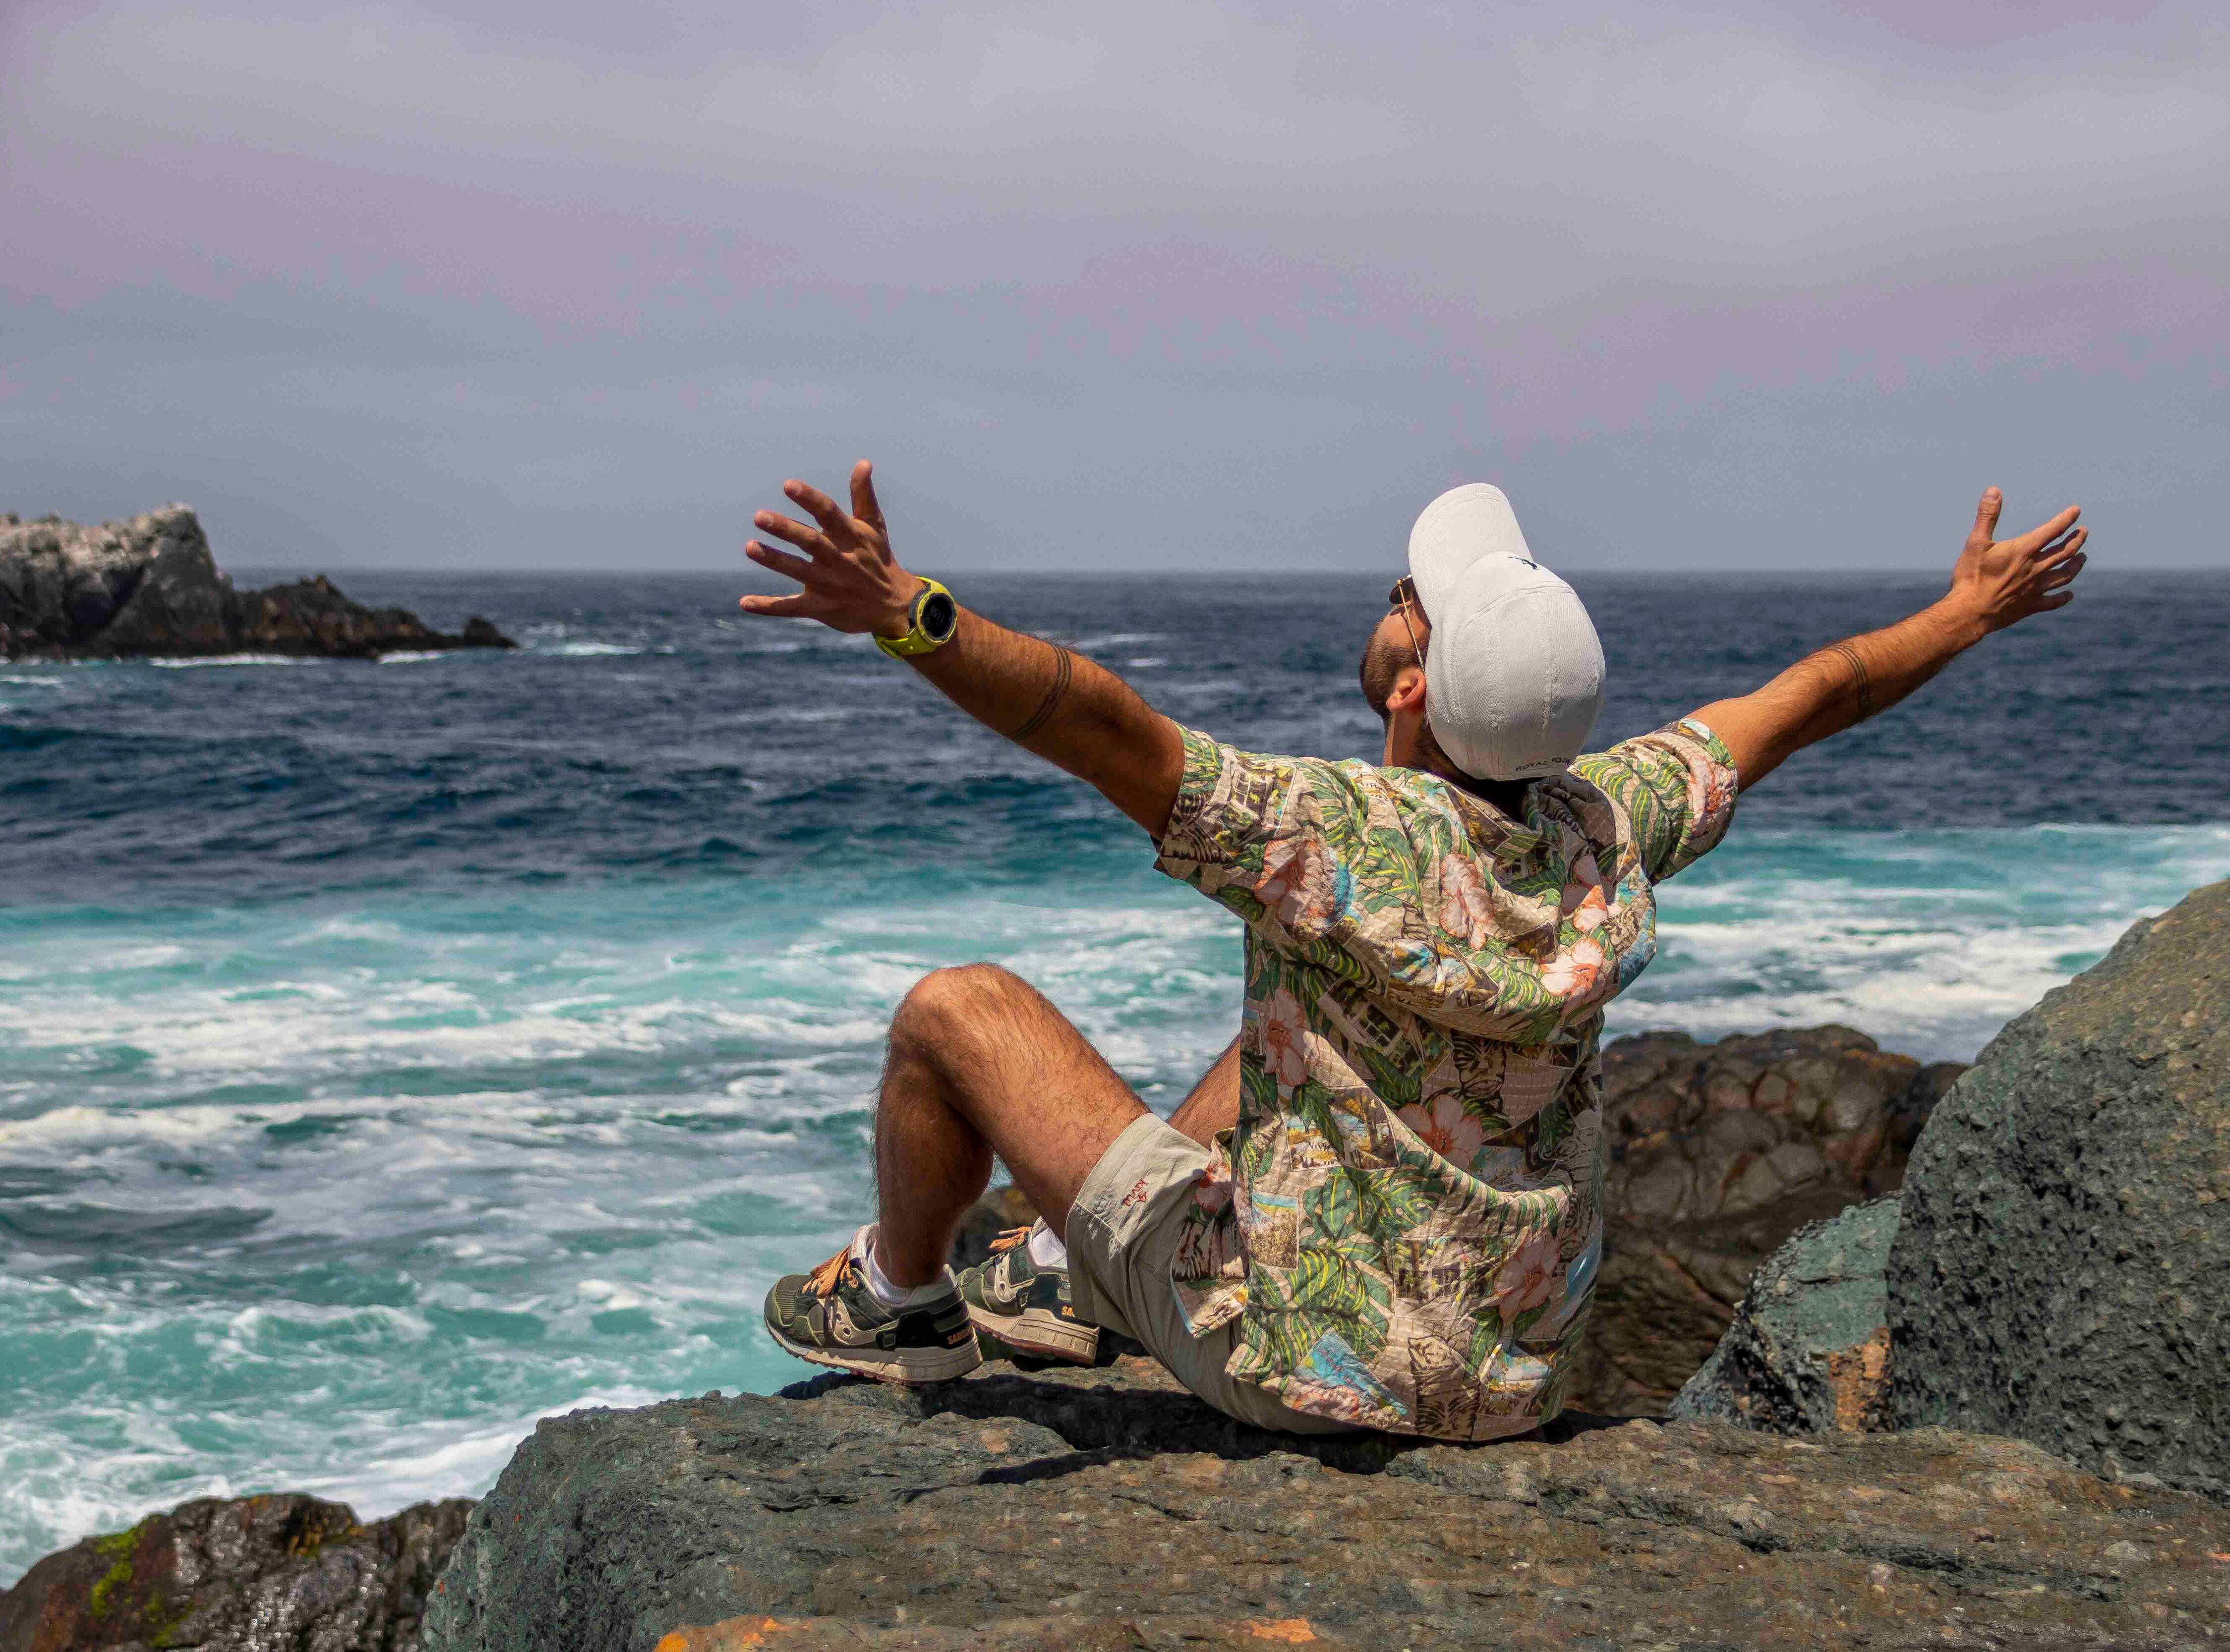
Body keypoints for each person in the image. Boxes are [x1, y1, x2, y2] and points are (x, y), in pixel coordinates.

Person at [737, 465, 2087, 1440]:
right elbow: (1812, 697)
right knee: (1292, 1036)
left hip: (1299, 1367)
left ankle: (902, 1302)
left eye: (1408, 603)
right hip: (1517, 1374)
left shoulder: (1317, 835)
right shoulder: (1611, 818)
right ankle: (1070, 1275)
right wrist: (1967, 613)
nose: (1395, 605)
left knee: (953, 1012)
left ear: (1409, 684)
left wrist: (914, 615)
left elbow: (1093, 722)